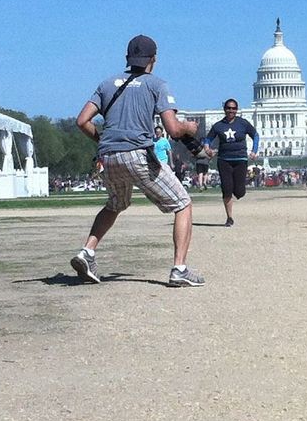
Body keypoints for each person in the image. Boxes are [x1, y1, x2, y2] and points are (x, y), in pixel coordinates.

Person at [69, 36, 205, 286]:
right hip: (138, 154)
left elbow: (81, 121)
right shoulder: (157, 85)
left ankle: (87, 252)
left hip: (109, 157)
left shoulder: (107, 84)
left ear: (127, 59)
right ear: (153, 59)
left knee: (115, 204)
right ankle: (180, 268)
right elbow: (173, 129)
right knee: (183, 203)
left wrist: (104, 140)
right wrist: (189, 128)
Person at [204, 98, 260, 226]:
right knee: (227, 189)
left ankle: (239, 189)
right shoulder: (218, 126)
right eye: (228, 108)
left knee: (239, 192)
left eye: (234, 108)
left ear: (237, 110)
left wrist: (254, 150)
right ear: (224, 109)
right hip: (224, 160)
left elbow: (255, 135)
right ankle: (229, 217)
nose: (231, 110)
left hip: (240, 159)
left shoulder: (243, 123)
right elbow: (208, 139)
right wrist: (207, 149)